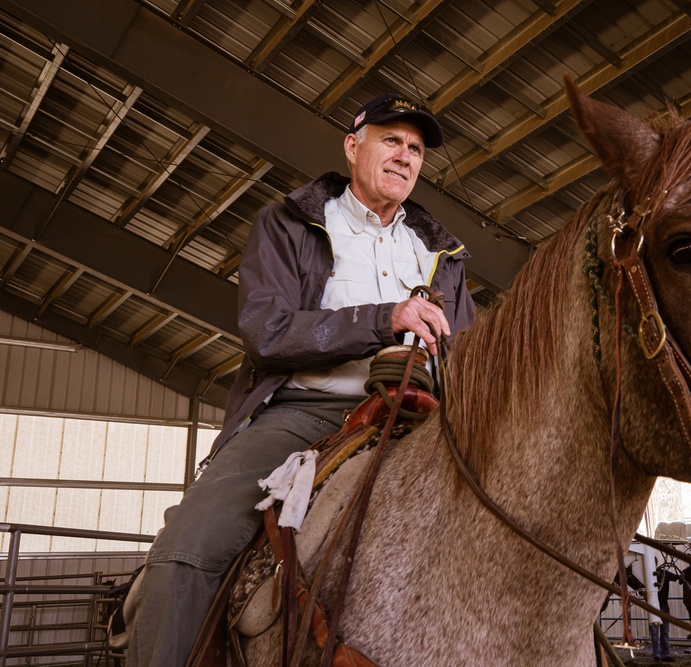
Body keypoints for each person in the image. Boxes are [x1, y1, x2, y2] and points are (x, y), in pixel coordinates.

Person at [125, 93, 476, 666]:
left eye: (415, 149)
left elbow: (469, 356)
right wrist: (384, 318)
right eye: (391, 139)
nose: (405, 156)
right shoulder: (290, 224)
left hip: (423, 421)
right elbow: (268, 330)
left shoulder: (443, 254)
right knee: (187, 550)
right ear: (352, 145)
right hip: (303, 413)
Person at [651, 562, 681, 663]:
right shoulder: (663, 573)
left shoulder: (663, 573)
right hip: (657, 606)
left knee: (662, 631)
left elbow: (677, 577)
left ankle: (661, 654)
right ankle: (659, 654)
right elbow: (677, 577)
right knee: (658, 632)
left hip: (659, 606)